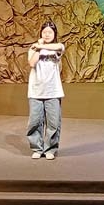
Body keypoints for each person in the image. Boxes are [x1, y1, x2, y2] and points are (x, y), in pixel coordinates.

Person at [26, 21, 65, 160]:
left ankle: (50, 149)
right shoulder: (34, 48)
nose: (47, 34)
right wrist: (38, 48)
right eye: (44, 32)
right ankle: (37, 148)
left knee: (53, 123)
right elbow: (32, 63)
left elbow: (59, 47)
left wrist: (41, 45)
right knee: (35, 121)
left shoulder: (58, 47)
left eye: (50, 32)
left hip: (53, 91)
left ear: (54, 34)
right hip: (36, 91)